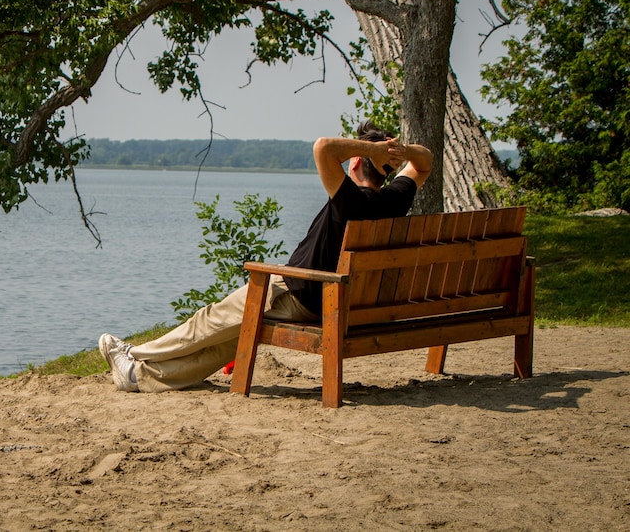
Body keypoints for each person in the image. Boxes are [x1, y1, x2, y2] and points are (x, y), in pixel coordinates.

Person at [98, 121, 434, 393]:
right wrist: (398, 151)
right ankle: (137, 377)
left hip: (300, 293)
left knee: (210, 319)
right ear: (388, 171)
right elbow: (425, 162)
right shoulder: (393, 201)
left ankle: (134, 354)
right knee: (228, 342)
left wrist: (371, 148)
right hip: (335, 300)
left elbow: (323, 148)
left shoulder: (351, 199)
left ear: (356, 162)